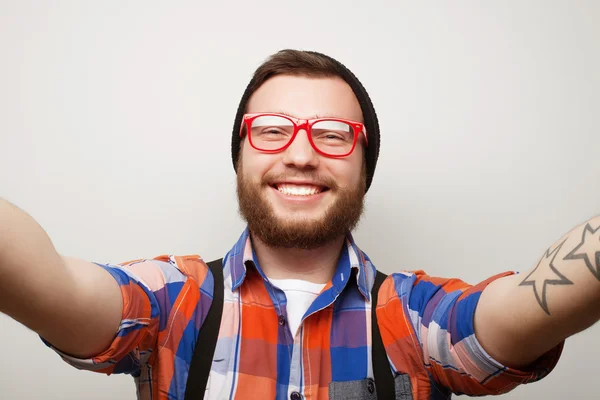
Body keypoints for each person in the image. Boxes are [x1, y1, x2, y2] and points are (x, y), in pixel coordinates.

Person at [0, 49, 598, 400]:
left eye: (334, 136)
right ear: (241, 158)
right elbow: (55, 286)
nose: (301, 154)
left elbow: (523, 311)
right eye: (271, 130)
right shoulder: (170, 300)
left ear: (365, 170)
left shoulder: (417, 317)